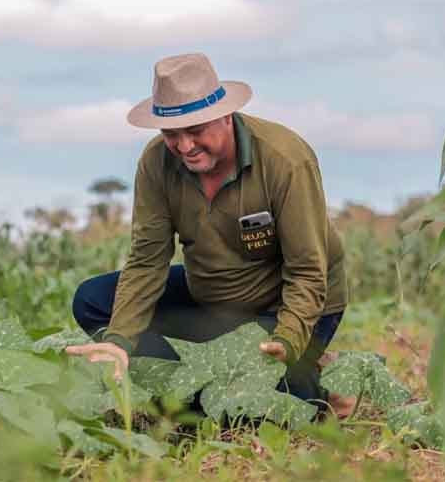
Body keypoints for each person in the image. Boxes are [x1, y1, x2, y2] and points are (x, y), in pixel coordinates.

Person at [65, 53, 355, 417]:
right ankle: (183, 389)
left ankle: (321, 384)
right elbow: (147, 261)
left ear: (223, 115)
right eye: (172, 134)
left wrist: (287, 339)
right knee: (93, 300)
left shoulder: (284, 159)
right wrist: (119, 342)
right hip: (211, 296)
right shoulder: (156, 162)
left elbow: (308, 270)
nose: (185, 147)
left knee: (278, 405)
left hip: (285, 303)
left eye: (196, 131)